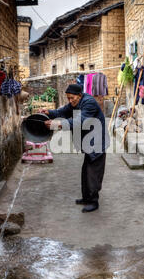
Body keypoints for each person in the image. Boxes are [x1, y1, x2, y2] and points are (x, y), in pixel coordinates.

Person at [39, 84, 109, 213]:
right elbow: (62, 112)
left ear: (80, 95)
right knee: (86, 171)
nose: (70, 101)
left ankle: (94, 202)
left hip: (97, 142)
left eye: (72, 98)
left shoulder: (89, 103)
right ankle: (86, 198)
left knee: (93, 173)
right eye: (68, 98)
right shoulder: (75, 103)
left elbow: (80, 121)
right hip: (89, 143)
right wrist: (50, 112)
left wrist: (59, 124)